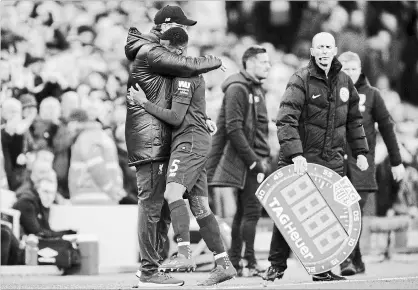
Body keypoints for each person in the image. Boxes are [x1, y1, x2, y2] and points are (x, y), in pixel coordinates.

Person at [129, 27, 236, 287]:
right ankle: (223, 264)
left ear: (177, 49)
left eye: (164, 47)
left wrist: (144, 103)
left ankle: (184, 253)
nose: (161, 53)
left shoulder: (184, 76)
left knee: (172, 194)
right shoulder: (189, 72)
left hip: (188, 142)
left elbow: (176, 117)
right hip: (195, 140)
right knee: (200, 207)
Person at [262, 32, 369, 283]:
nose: (323, 51)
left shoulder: (345, 81)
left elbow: (354, 121)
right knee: (289, 215)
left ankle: (323, 269)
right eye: (319, 47)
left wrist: (361, 152)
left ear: (334, 51)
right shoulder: (300, 78)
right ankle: (276, 265)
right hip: (301, 161)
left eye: (328, 47)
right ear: (312, 51)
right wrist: (296, 154)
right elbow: (285, 120)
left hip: (332, 161)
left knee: (331, 216)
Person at [206, 45, 272, 276]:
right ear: (250, 63)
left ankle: (236, 261)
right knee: (251, 212)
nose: (269, 66)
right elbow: (233, 129)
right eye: (264, 62)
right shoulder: (238, 89)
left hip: (252, 158)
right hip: (244, 160)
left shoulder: (255, 88)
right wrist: (254, 161)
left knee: (244, 212)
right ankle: (250, 263)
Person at [338, 51, 405, 276]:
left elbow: (387, 127)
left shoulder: (373, 95)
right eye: (345, 70)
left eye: (353, 69)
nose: (350, 74)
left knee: (352, 211)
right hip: (338, 164)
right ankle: (353, 259)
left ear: (360, 70)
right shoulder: (332, 93)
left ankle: (351, 259)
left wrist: (396, 161)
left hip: (363, 166)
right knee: (346, 211)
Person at [67, 108, 127, 205]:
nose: (67, 128)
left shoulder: (86, 138)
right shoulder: (102, 137)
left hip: (88, 196)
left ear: (75, 123)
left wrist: (109, 189)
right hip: (104, 198)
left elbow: (95, 165)